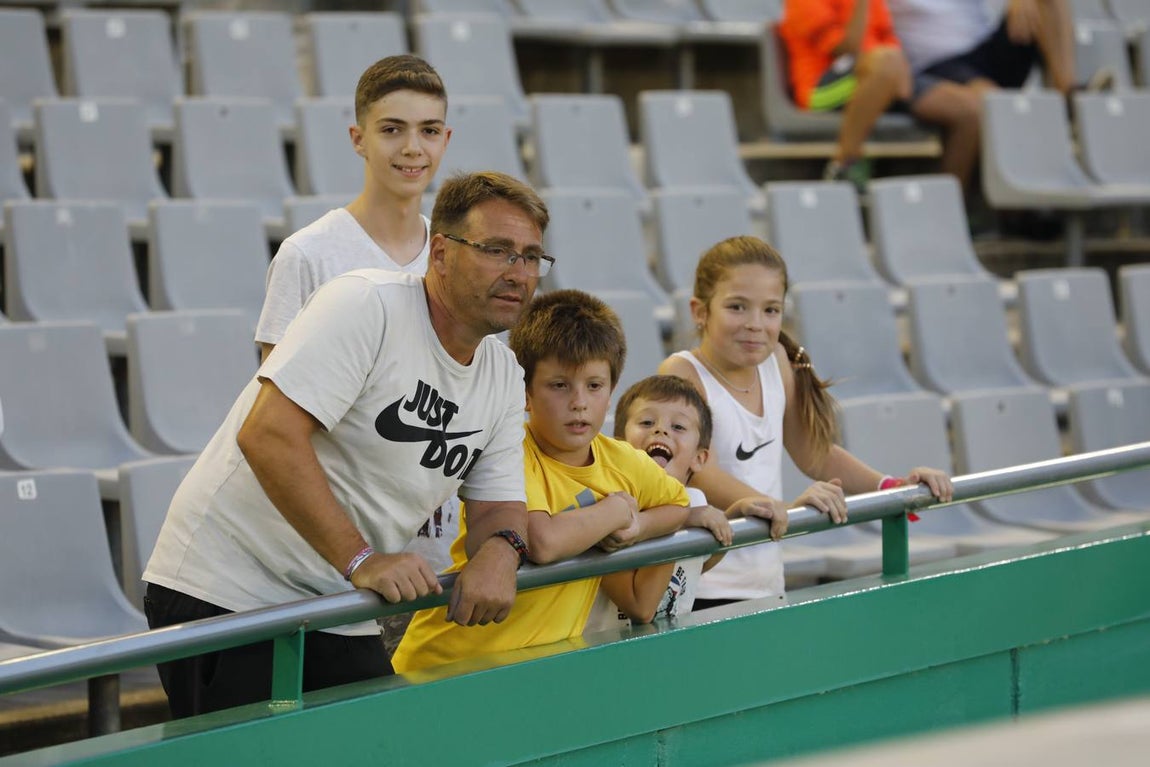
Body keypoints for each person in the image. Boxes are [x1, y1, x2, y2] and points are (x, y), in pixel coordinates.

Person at [142, 171, 550, 718]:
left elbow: (499, 505)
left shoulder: (503, 372)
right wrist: (361, 559)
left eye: (530, 257)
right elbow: (267, 435)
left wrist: (502, 552)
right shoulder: (366, 305)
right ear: (441, 254)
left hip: (340, 602)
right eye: (497, 250)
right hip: (230, 591)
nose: (517, 273)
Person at [391, 290, 693, 673]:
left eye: (594, 386)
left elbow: (677, 505)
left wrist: (638, 526)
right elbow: (541, 542)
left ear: (612, 391)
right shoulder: (511, 447)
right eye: (559, 385)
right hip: (446, 665)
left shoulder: (622, 462)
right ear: (525, 393)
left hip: (532, 668)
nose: (579, 402)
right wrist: (616, 511)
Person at [658, 236, 954, 609]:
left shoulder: (777, 361)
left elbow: (815, 455)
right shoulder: (683, 372)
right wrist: (778, 507)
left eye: (770, 310)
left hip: (765, 579)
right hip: (701, 586)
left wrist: (890, 486)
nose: (755, 324)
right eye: (737, 307)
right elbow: (698, 471)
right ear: (700, 311)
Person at [255, 54, 451, 361]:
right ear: (358, 140)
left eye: (429, 131)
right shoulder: (306, 255)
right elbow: (272, 401)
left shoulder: (454, 258)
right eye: (391, 130)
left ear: (445, 139)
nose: (413, 148)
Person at [585, 375, 747, 632]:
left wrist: (730, 522)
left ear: (699, 457)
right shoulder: (606, 505)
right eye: (647, 422)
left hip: (669, 649)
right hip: (606, 652)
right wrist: (681, 520)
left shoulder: (697, 501)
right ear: (617, 447)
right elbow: (639, 608)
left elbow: (695, 565)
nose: (660, 430)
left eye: (679, 427)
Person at [888, 0, 1080, 192]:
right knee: (988, 103)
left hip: (984, 49)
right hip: (935, 63)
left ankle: (1068, 96)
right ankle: (964, 204)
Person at [779, 0, 913, 189]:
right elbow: (848, 49)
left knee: (961, 108)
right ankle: (843, 164)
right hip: (819, 91)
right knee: (886, 64)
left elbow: (890, 41)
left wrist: (896, 71)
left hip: (878, 75)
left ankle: (960, 203)